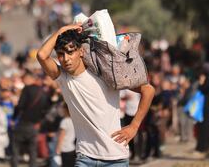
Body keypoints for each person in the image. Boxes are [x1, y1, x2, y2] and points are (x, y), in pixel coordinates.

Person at [37, 24, 155, 166]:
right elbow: (42, 55)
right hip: (85, 157)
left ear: (81, 51)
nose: (66, 59)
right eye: (61, 54)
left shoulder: (105, 74)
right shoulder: (64, 78)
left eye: (70, 52)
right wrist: (63, 29)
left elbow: (148, 90)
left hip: (116, 158)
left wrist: (134, 126)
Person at [10, 70, 50, 167]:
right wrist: (39, 121)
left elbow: (20, 106)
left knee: (16, 147)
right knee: (33, 150)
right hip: (35, 125)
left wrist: (13, 118)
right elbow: (46, 110)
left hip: (23, 123)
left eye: (24, 79)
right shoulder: (43, 92)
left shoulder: (27, 89)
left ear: (29, 79)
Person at [55, 103, 76, 167]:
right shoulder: (74, 121)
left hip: (64, 148)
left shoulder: (64, 121)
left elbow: (61, 137)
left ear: (66, 110)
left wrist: (57, 150)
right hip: (72, 148)